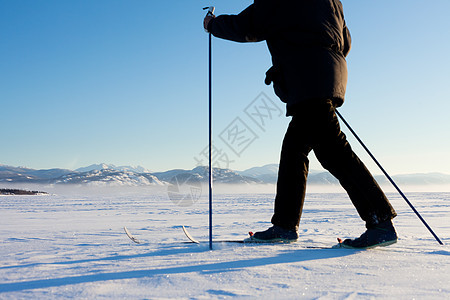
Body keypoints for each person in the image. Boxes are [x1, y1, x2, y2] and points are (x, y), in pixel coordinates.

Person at [203, 0, 398, 249]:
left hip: (309, 78)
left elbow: (249, 25)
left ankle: (379, 221)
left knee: (330, 152)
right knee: (303, 150)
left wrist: (213, 24)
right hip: (325, 75)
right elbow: (345, 41)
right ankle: (286, 225)